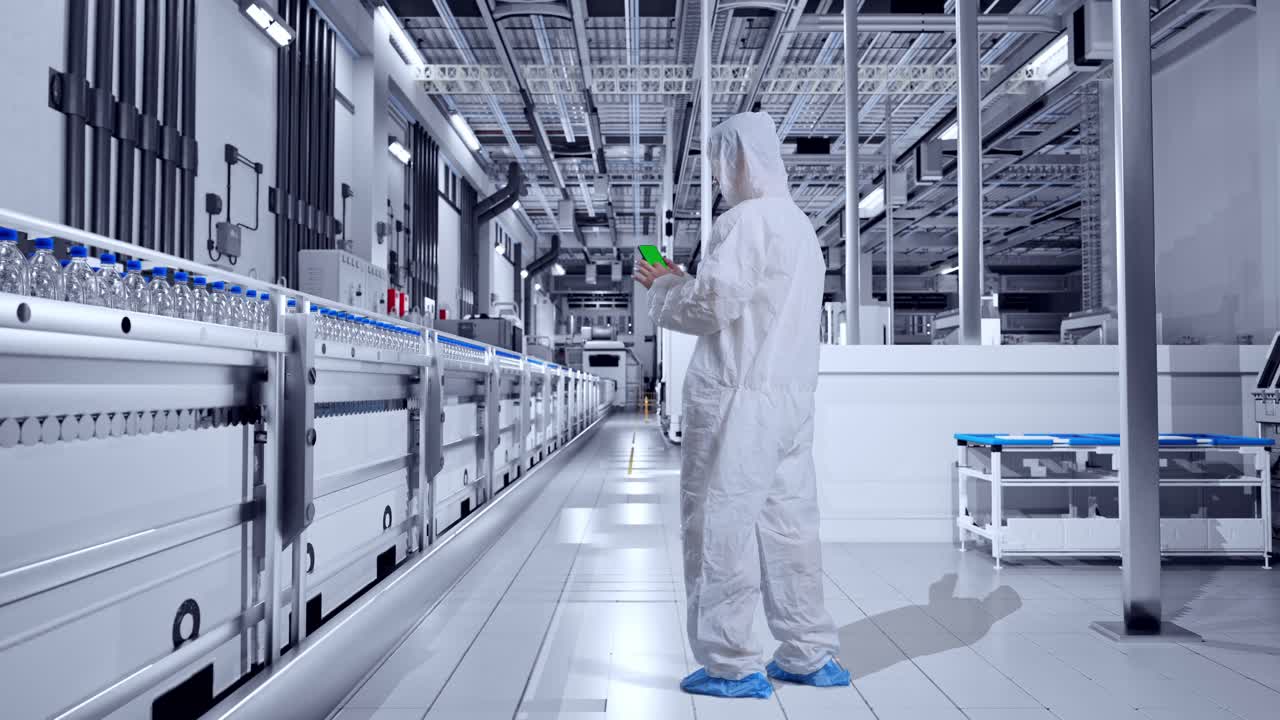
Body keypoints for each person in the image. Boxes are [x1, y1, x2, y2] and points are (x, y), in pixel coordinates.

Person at [635, 111, 847, 699]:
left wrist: (662, 288)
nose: (721, 177)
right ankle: (807, 653)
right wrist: (686, 280)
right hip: (791, 401)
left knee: (720, 524)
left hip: (738, 398)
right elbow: (749, 300)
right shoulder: (800, 228)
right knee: (789, 524)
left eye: (720, 163)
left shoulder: (742, 223)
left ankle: (731, 663)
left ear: (737, 161)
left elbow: (712, 310)